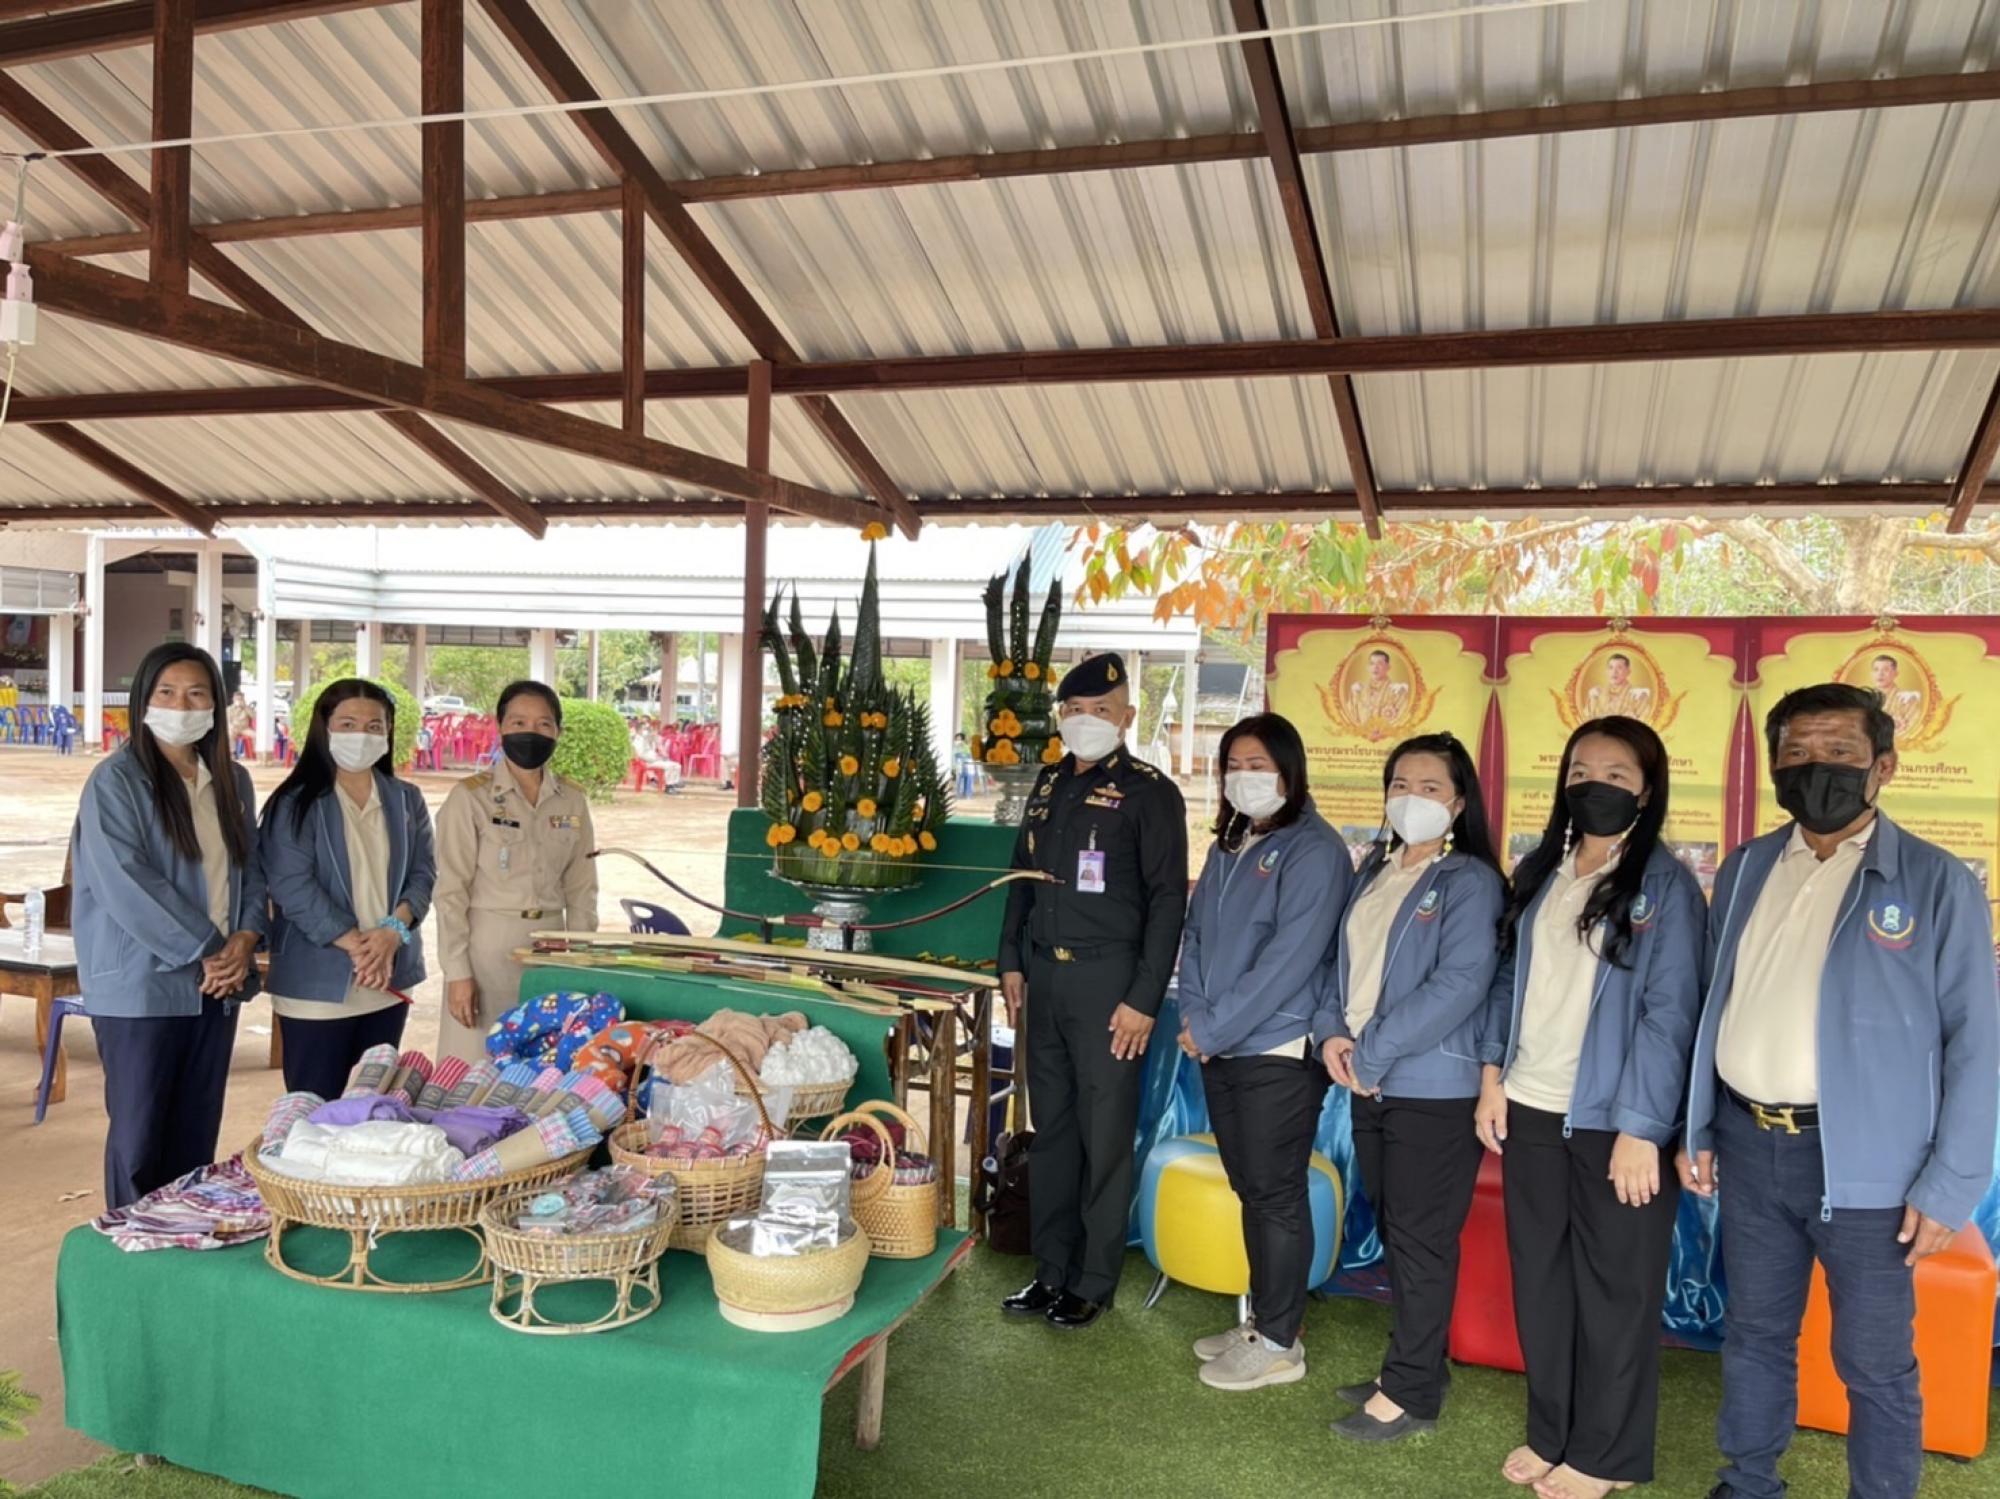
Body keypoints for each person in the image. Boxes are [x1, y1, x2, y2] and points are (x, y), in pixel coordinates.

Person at [1680, 683, 1998, 1499]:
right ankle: (1747, 1481)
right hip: (1749, 1143)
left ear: (1882, 766)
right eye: (1797, 752)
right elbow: (1715, 999)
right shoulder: (1748, 865)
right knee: (1754, 1332)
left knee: (1874, 1359)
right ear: (1774, 766)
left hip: (1869, 1169)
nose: (1815, 767)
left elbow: (1977, 1043)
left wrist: (1950, 1184)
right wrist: (1699, 1126)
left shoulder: (1935, 882)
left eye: (1840, 752)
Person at [1476, 717, 1705, 1499]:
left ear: (1647, 788)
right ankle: (1553, 1432)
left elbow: (1671, 1016)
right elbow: (1506, 979)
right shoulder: (1541, 869)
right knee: (1542, 1282)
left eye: (1615, 772)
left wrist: (1643, 1128)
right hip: (1532, 1107)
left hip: (1616, 1120)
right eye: (1580, 769)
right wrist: (1493, 1075)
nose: (1594, 783)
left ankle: (1604, 1455)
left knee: (1615, 1292)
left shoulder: (1666, 887)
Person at [1313, 731, 1505, 1442]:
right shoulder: (1376, 867)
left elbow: (1459, 984)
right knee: (1399, 1231)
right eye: (1400, 784)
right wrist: (1332, 1032)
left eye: (1430, 787)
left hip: (1432, 1086)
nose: (1411, 798)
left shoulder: (1470, 881)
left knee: (1422, 1239)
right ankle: (1415, 1364)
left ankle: (1413, 1391)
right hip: (1370, 1081)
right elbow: (1338, 965)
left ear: (1458, 803)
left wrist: (1373, 1052)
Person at [997, 652, 1188, 1330]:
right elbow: (1021, 877)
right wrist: (1010, 960)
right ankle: (1051, 1269)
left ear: (1127, 717)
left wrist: (1143, 998)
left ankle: (1094, 1279)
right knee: (1052, 1132)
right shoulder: (1049, 781)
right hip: (1044, 978)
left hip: (1111, 985)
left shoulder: (1150, 792)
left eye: (1100, 711)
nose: (1085, 721)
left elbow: (1168, 901)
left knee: (1104, 1136)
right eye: (1074, 710)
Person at [1176, 712, 1351, 1390]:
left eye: (1258, 766)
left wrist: (1213, 1027)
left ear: (1289, 771)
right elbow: (1196, 934)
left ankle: (1280, 1340)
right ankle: (1264, 1320)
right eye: (1233, 766)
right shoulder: (1230, 842)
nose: (1243, 777)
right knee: (1250, 1186)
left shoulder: (1316, 850)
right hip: (1222, 1043)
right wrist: (1196, 1015)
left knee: (1275, 1193)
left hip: (1278, 1045)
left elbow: (1289, 960)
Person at [69, 643, 267, 1207]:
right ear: (143, 701)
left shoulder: (230, 780)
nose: (182, 706)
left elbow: (251, 869)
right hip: (143, 986)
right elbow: (126, 881)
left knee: (194, 1136)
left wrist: (246, 938)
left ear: (216, 705)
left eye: (197, 694)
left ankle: (181, 1237)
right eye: (168, 693)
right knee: (140, 1140)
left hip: (217, 984)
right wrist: (211, 950)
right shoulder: (116, 781)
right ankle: (131, 1243)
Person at [260, 679, 437, 1100]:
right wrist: (361, 948)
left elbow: (423, 874)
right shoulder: (295, 803)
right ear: (324, 729)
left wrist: (392, 933)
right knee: (314, 1110)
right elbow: (291, 885)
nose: (362, 735)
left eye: (375, 726)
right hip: (317, 986)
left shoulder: (406, 799)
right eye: (348, 724)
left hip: (387, 981)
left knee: (370, 1110)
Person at [432, 680, 599, 1064]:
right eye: (519, 722)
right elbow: (451, 891)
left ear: (557, 732)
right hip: (486, 950)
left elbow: (582, 887)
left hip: (551, 948)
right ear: (501, 727)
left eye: (543, 724)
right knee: (475, 1065)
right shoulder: (470, 797)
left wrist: (580, 958)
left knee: (542, 1065)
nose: (530, 732)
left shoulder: (572, 799)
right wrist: (457, 972)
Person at [1584, 653, 1653, 722]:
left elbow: (1644, 721)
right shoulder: (1597, 695)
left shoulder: (1637, 696)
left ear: (1628, 671)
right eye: (1611, 668)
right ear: (1607, 671)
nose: (1614, 672)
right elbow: (1586, 719)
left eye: (1619, 668)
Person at [226, 690, 253, 757]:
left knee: (256, 735)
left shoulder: (247, 708)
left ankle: (255, 753)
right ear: (234, 699)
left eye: (240, 699)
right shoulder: (229, 709)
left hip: (244, 729)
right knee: (230, 734)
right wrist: (231, 726)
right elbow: (228, 721)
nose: (239, 700)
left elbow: (254, 716)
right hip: (234, 728)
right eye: (237, 699)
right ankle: (233, 753)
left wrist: (245, 707)